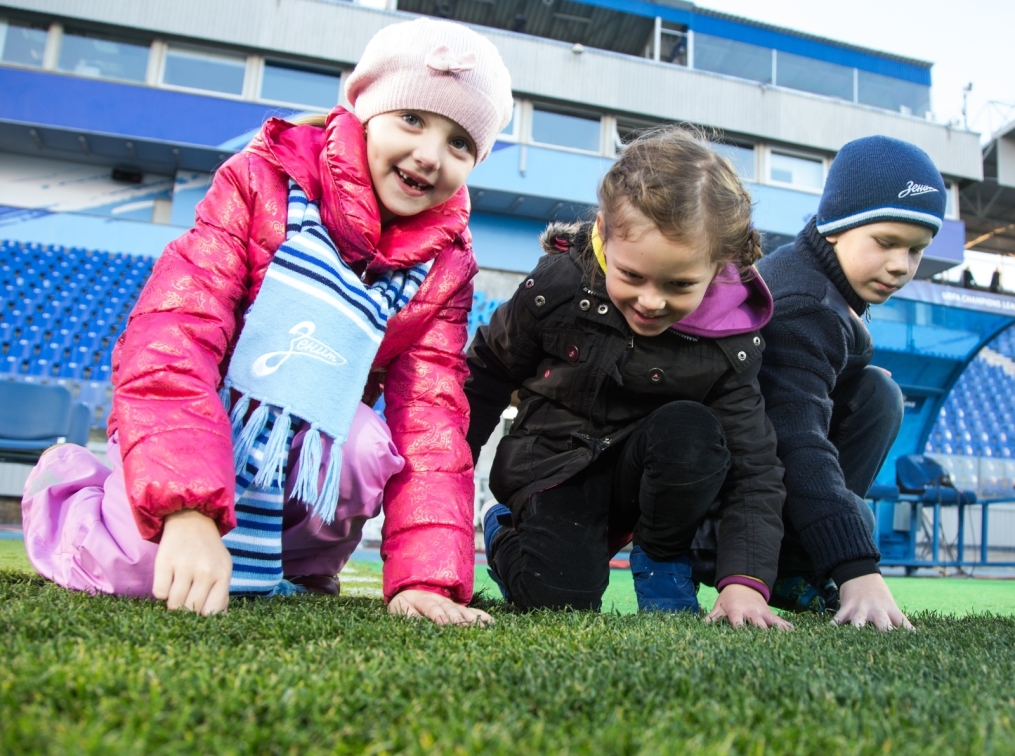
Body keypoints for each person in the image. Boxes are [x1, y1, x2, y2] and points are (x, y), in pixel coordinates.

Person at [21, 18, 514, 624]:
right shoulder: (260, 182)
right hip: (203, 417)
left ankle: (301, 566)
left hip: (306, 437)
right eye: (412, 119)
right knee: (142, 575)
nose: (429, 155)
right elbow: (172, 337)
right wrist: (186, 511)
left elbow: (432, 422)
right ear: (364, 110)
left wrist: (426, 580)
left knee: (365, 444)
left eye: (460, 143)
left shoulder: (447, 265)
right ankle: (72, 494)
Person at [465, 127, 791, 630]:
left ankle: (662, 562)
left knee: (693, 428)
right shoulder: (558, 286)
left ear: (719, 266)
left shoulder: (733, 339)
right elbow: (485, 372)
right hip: (556, 466)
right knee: (555, 602)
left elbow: (754, 466)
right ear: (603, 233)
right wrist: (446, 480)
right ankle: (506, 531)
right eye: (633, 276)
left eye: (680, 285)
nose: (652, 301)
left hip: (655, 477)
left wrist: (744, 583)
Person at [756, 136, 947, 631]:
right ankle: (788, 564)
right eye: (886, 243)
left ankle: (796, 562)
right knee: (877, 396)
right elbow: (795, 439)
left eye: (916, 250)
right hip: (714, 499)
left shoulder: (824, 279)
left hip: (752, 475)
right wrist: (855, 567)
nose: (901, 266)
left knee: (876, 390)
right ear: (837, 228)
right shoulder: (804, 302)